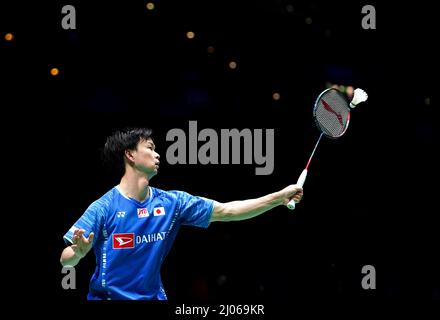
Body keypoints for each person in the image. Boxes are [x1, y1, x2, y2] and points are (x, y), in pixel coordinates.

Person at [60, 127, 303, 300]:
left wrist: (278, 198)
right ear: (130, 155)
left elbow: (228, 210)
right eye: (150, 148)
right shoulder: (104, 207)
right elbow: (65, 258)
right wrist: (79, 253)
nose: (157, 154)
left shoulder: (172, 203)